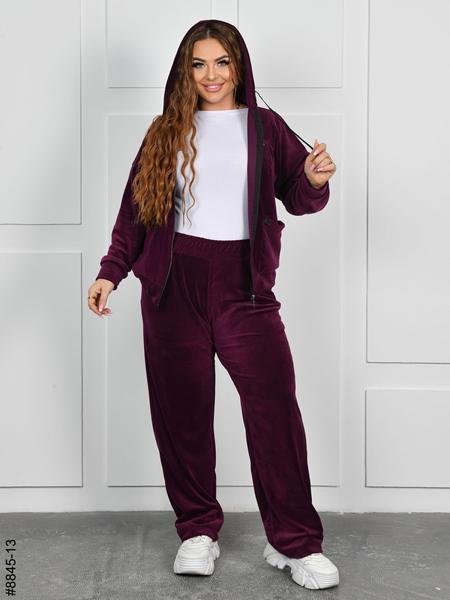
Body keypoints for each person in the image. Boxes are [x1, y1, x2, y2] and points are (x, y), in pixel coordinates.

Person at [87, 19, 338, 590]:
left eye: (221, 62)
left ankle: (295, 542)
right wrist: (110, 272)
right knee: (183, 415)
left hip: (245, 288)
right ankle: (197, 530)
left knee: (274, 412)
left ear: (239, 65)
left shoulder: (266, 127)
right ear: (186, 71)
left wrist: (314, 179)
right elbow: (135, 213)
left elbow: (299, 198)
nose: (211, 75)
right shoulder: (165, 131)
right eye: (198, 64)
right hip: (172, 286)